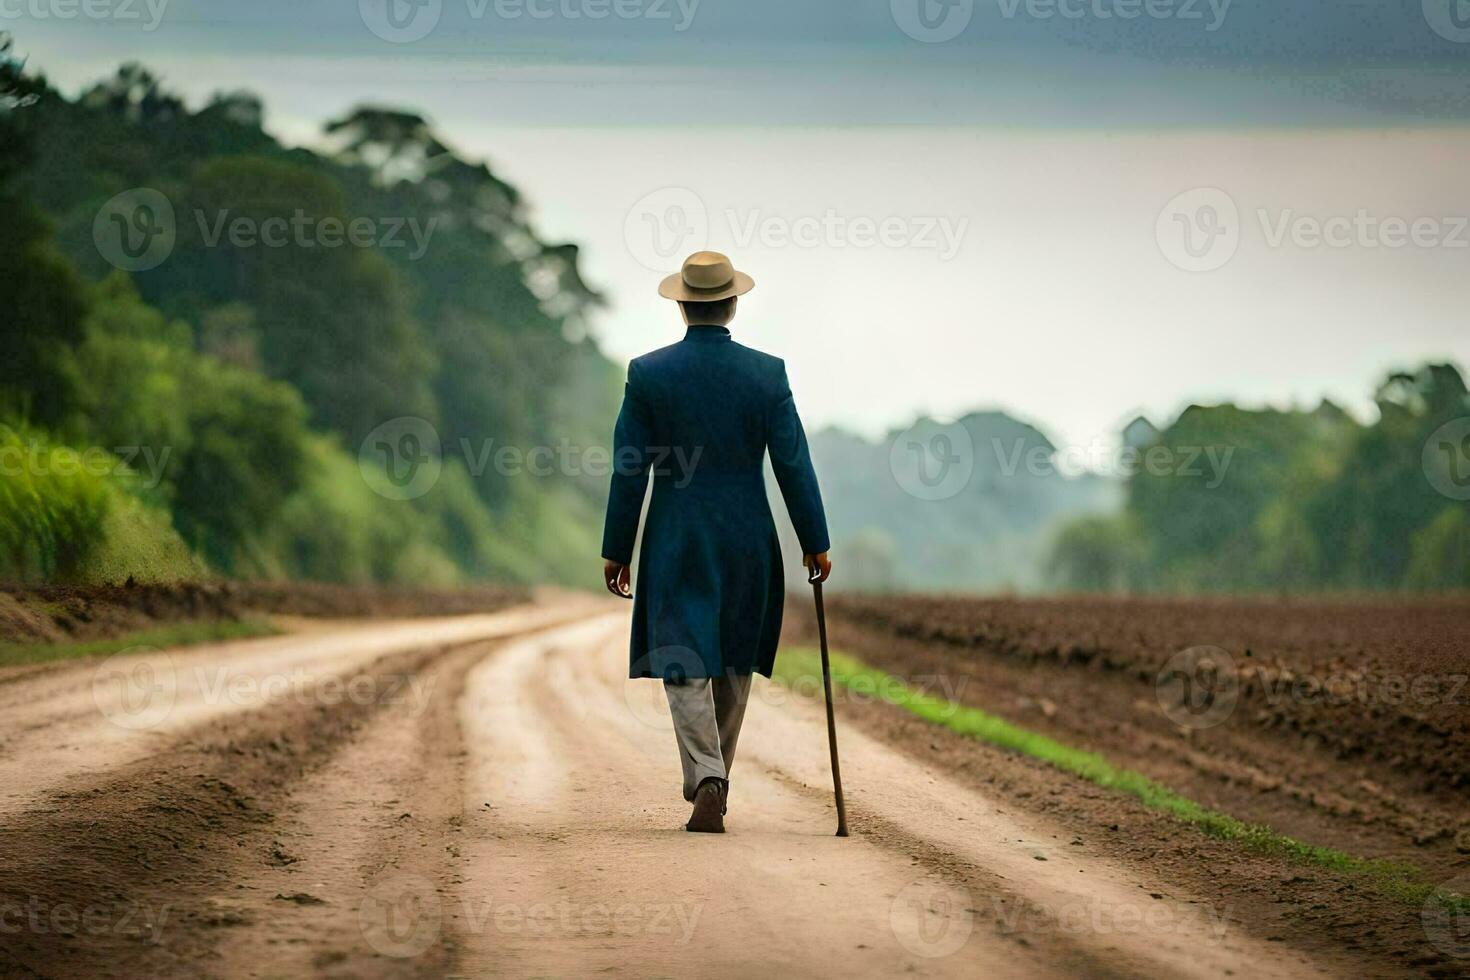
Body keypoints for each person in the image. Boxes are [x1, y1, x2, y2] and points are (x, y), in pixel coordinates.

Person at [601, 250, 832, 834]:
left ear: (681, 305)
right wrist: (814, 539)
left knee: (683, 654)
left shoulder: (648, 373)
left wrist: (617, 545)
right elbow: (793, 464)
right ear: (733, 303)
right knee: (733, 656)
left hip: (677, 532)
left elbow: (630, 466)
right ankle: (714, 773)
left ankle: (709, 776)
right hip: (748, 535)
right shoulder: (767, 373)